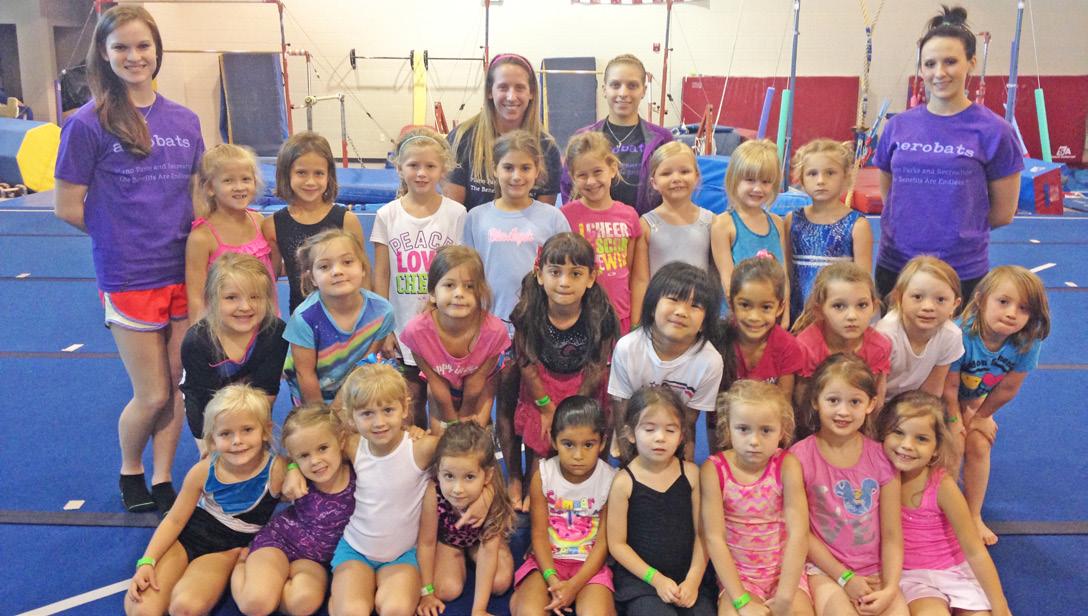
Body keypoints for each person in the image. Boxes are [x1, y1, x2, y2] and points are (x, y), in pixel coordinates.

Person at [54, 5, 205, 514]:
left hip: (182, 271)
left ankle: (163, 475)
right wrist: (121, 237)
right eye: (121, 47)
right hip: (130, 275)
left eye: (143, 46)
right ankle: (131, 469)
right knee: (152, 392)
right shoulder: (87, 124)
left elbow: (195, 195)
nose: (134, 56)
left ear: (158, 50)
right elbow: (66, 205)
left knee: (178, 385)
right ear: (104, 53)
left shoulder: (184, 120)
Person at [872, 5, 1023, 301]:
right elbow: (891, 195)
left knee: (952, 334)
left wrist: (955, 234)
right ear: (921, 69)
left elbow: (1003, 213)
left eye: (950, 62)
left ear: (971, 63)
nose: (939, 73)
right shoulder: (898, 127)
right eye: (930, 64)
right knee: (892, 333)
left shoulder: (994, 131)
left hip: (960, 270)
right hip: (897, 264)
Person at [317, 364, 491, 616]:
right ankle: (346, 597)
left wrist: (487, 495)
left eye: (388, 410)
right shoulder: (353, 446)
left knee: (396, 609)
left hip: (403, 555)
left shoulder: (420, 448)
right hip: (355, 549)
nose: (379, 422)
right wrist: (292, 468)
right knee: (352, 610)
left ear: (405, 408)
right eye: (367, 414)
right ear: (351, 417)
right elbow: (310, 445)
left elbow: (476, 455)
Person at [463, 129, 571, 507]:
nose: (516, 176)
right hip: (494, 329)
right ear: (494, 169)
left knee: (538, 404)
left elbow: (564, 268)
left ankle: (538, 477)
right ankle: (512, 477)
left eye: (525, 168)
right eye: (508, 167)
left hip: (542, 329)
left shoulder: (552, 217)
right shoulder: (477, 217)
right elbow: (469, 273)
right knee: (505, 406)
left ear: (538, 170)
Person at [125, 385, 284, 616]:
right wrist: (147, 561)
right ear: (212, 439)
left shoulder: (277, 470)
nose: (237, 441)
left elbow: (306, 462)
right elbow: (175, 520)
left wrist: (293, 470)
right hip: (186, 538)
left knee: (185, 607)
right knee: (142, 609)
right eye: (225, 433)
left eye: (247, 429)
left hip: (223, 551)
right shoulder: (202, 471)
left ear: (265, 430)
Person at [790, 355, 909, 615]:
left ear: (871, 404)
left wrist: (891, 587)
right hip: (826, 571)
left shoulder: (881, 458)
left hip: (876, 571)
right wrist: (845, 578)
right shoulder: (798, 458)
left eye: (854, 402)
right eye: (833, 400)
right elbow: (801, 532)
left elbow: (892, 534)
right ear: (815, 401)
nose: (843, 412)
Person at [877, 391, 1012, 616]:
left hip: (955, 570)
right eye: (898, 433)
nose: (907, 445)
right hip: (913, 577)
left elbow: (974, 550)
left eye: (921, 439)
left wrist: (1000, 605)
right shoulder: (876, 480)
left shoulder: (942, 486)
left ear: (936, 449)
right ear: (883, 434)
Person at [944, 265, 1049, 546]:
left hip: (975, 397)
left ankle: (973, 514)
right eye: (1003, 302)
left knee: (979, 443)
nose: (1012, 313)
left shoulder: (1026, 341)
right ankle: (946, 511)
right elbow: (948, 387)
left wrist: (981, 417)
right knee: (954, 444)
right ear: (981, 300)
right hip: (941, 394)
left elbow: (1008, 388)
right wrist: (955, 421)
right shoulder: (960, 333)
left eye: (1024, 308)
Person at [510, 233, 619, 494]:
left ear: (591, 277)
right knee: (542, 440)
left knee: (583, 430)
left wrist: (572, 408)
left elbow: (597, 365)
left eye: (575, 274)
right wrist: (546, 407)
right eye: (555, 272)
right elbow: (526, 363)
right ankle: (534, 486)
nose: (564, 282)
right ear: (540, 275)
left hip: (584, 385)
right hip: (542, 385)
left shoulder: (601, 314)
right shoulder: (528, 312)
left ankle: (592, 486)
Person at [372, 127, 466, 426]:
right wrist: (385, 327)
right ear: (400, 168)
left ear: (443, 170)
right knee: (409, 406)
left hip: (444, 329)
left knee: (444, 406)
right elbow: (381, 274)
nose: (421, 173)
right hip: (402, 328)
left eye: (430, 166)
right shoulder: (387, 215)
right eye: (413, 165)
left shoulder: (456, 214)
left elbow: (463, 272)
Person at [231, 403, 355, 616]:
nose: (315, 461)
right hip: (279, 541)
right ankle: (241, 564)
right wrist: (292, 467)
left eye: (323, 448)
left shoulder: (358, 470)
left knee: (303, 604)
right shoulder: (297, 478)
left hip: (314, 560)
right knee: (256, 604)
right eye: (304, 455)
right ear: (294, 456)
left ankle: (271, 584)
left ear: (341, 441)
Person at [702, 380, 811, 616]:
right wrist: (741, 600)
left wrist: (785, 595)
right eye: (743, 429)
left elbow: (799, 534)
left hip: (785, 575)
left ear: (782, 431)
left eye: (766, 430)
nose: (754, 441)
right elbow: (714, 538)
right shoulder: (715, 469)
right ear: (728, 428)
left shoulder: (787, 465)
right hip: (739, 579)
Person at [608, 386, 715, 616]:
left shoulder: (691, 474)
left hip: (688, 578)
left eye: (670, 430)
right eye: (649, 429)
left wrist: (694, 579)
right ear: (630, 433)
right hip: (642, 582)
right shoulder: (624, 482)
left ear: (682, 435)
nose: (660, 437)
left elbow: (703, 534)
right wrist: (655, 579)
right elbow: (617, 544)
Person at [510, 396, 617, 616]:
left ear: (602, 442)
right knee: (529, 612)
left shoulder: (610, 480)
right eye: (568, 444)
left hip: (589, 567)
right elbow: (539, 534)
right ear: (553, 440)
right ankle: (523, 597)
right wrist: (552, 578)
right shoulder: (543, 475)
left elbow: (603, 543)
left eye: (588, 445)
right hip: (547, 563)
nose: (578, 455)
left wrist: (575, 585)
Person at [609, 262, 724, 461]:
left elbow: (688, 423)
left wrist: (681, 468)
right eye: (673, 299)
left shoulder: (710, 362)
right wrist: (629, 461)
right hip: (635, 428)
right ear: (652, 307)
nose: (681, 312)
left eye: (695, 306)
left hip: (674, 433)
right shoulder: (627, 348)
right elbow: (622, 412)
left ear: (704, 323)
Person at [180, 254, 287, 445]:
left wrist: (250, 432)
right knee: (217, 457)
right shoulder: (197, 342)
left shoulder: (274, 332)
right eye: (231, 298)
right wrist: (214, 444)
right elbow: (203, 400)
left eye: (255, 297)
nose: (245, 307)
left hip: (254, 409)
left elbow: (267, 391)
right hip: (207, 412)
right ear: (211, 300)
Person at [401, 246, 510, 430]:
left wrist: (465, 418)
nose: (459, 293)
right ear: (433, 293)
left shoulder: (495, 332)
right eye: (449, 285)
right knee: (441, 436)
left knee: (474, 433)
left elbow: (477, 383)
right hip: (441, 384)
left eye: (469, 286)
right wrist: (451, 422)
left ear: (480, 292)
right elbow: (436, 383)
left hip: (481, 386)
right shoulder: (416, 333)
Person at [282, 229, 395, 405]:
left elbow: (365, 363)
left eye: (347, 262)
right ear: (312, 278)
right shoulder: (304, 318)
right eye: (324, 267)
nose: (337, 271)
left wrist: (340, 405)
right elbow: (305, 374)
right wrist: (321, 416)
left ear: (363, 268)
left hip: (352, 386)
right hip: (311, 391)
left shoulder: (382, 311)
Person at [417, 422, 516, 616]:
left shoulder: (491, 496)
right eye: (449, 476)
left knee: (499, 583)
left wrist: (479, 609)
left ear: (487, 476)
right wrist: (426, 591)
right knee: (446, 589)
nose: (457, 489)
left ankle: (479, 550)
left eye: (469, 477)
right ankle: (459, 556)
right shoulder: (433, 492)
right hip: (449, 540)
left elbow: (488, 552)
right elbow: (426, 543)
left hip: (481, 541)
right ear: (438, 472)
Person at [263, 131, 366, 314]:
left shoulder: (346, 220)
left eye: (318, 173)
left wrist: (368, 317)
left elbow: (363, 275)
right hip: (302, 319)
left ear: (329, 175)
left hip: (345, 316)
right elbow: (270, 278)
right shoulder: (273, 225)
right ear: (286, 174)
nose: (310, 182)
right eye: (301, 173)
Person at [561, 53, 674, 216]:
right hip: (595, 228)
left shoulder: (662, 139)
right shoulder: (584, 138)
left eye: (632, 86)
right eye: (615, 85)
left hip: (646, 228)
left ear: (643, 91)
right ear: (604, 89)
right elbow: (569, 189)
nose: (623, 92)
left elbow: (673, 190)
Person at [446, 53, 562, 209]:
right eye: (503, 87)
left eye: (520, 88)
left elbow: (543, 216)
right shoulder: (462, 138)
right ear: (489, 91)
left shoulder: (546, 147)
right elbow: (454, 213)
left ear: (532, 93)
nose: (511, 97)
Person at [561, 130, 647, 332]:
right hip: (579, 316)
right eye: (582, 175)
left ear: (613, 169)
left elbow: (631, 271)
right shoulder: (565, 216)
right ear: (573, 177)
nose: (591, 181)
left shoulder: (629, 215)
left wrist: (635, 320)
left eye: (597, 172)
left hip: (620, 315)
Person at [791, 262, 890, 429]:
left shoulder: (879, 346)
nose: (852, 316)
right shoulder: (806, 347)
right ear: (819, 310)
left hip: (857, 421)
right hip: (815, 424)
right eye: (839, 306)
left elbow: (876, 394)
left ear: (874, 307)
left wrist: (871, 430)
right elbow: (802, 399)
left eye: (862, 305)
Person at [185, 143, 277, 319]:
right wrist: (198, 332)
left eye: (245, 179)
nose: (239, 187)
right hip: (227, 325)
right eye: (228, 181)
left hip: (265, 321)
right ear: (210, 188)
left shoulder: (259, 221)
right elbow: (196, 297)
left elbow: (272, 272)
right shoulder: (202, 237)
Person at [786, 139, 872, 320]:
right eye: (812, 173)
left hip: (839, 317)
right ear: (801, 179)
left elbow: (864, 283)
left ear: (845, 177)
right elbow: (786, 274)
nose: (821, 181)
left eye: (830, 173)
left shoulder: (857, 225)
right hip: (798, 314)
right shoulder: (792, 220)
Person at [711, 139, 790, 317]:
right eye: (750, 180)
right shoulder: (723, 224)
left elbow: (784, 276)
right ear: (734, 179)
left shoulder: (777, 223)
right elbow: (728, 281)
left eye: (766, 182)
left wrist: (785, 314)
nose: (758, 188)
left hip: (771, 316)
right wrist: (744, 318)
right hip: (737, 317)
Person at [875, 256, 964, 399]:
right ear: (899, 298)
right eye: (917, 297)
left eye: (940, 299)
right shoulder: (885, 335)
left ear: (954, 304)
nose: (928, 307)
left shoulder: (951, 336)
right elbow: (875, 393)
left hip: (912, 402)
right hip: (878, 398)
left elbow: (933, 390)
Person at [724, 255, 804, 400]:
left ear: (780, 308)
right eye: (745, 305)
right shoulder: (719, 339)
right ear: (731, 304)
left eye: (766, 307)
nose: (754, 317)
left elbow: (783, 404)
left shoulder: (787, 346)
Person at [638, 142, 714, 279]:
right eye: (666, 173)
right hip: (659, 293)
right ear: (654, 182)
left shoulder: (711, 222)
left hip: (700, 293)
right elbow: (640, 279)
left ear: (696, 177)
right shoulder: (646, 225)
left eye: (684, 172)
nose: (676, 179)